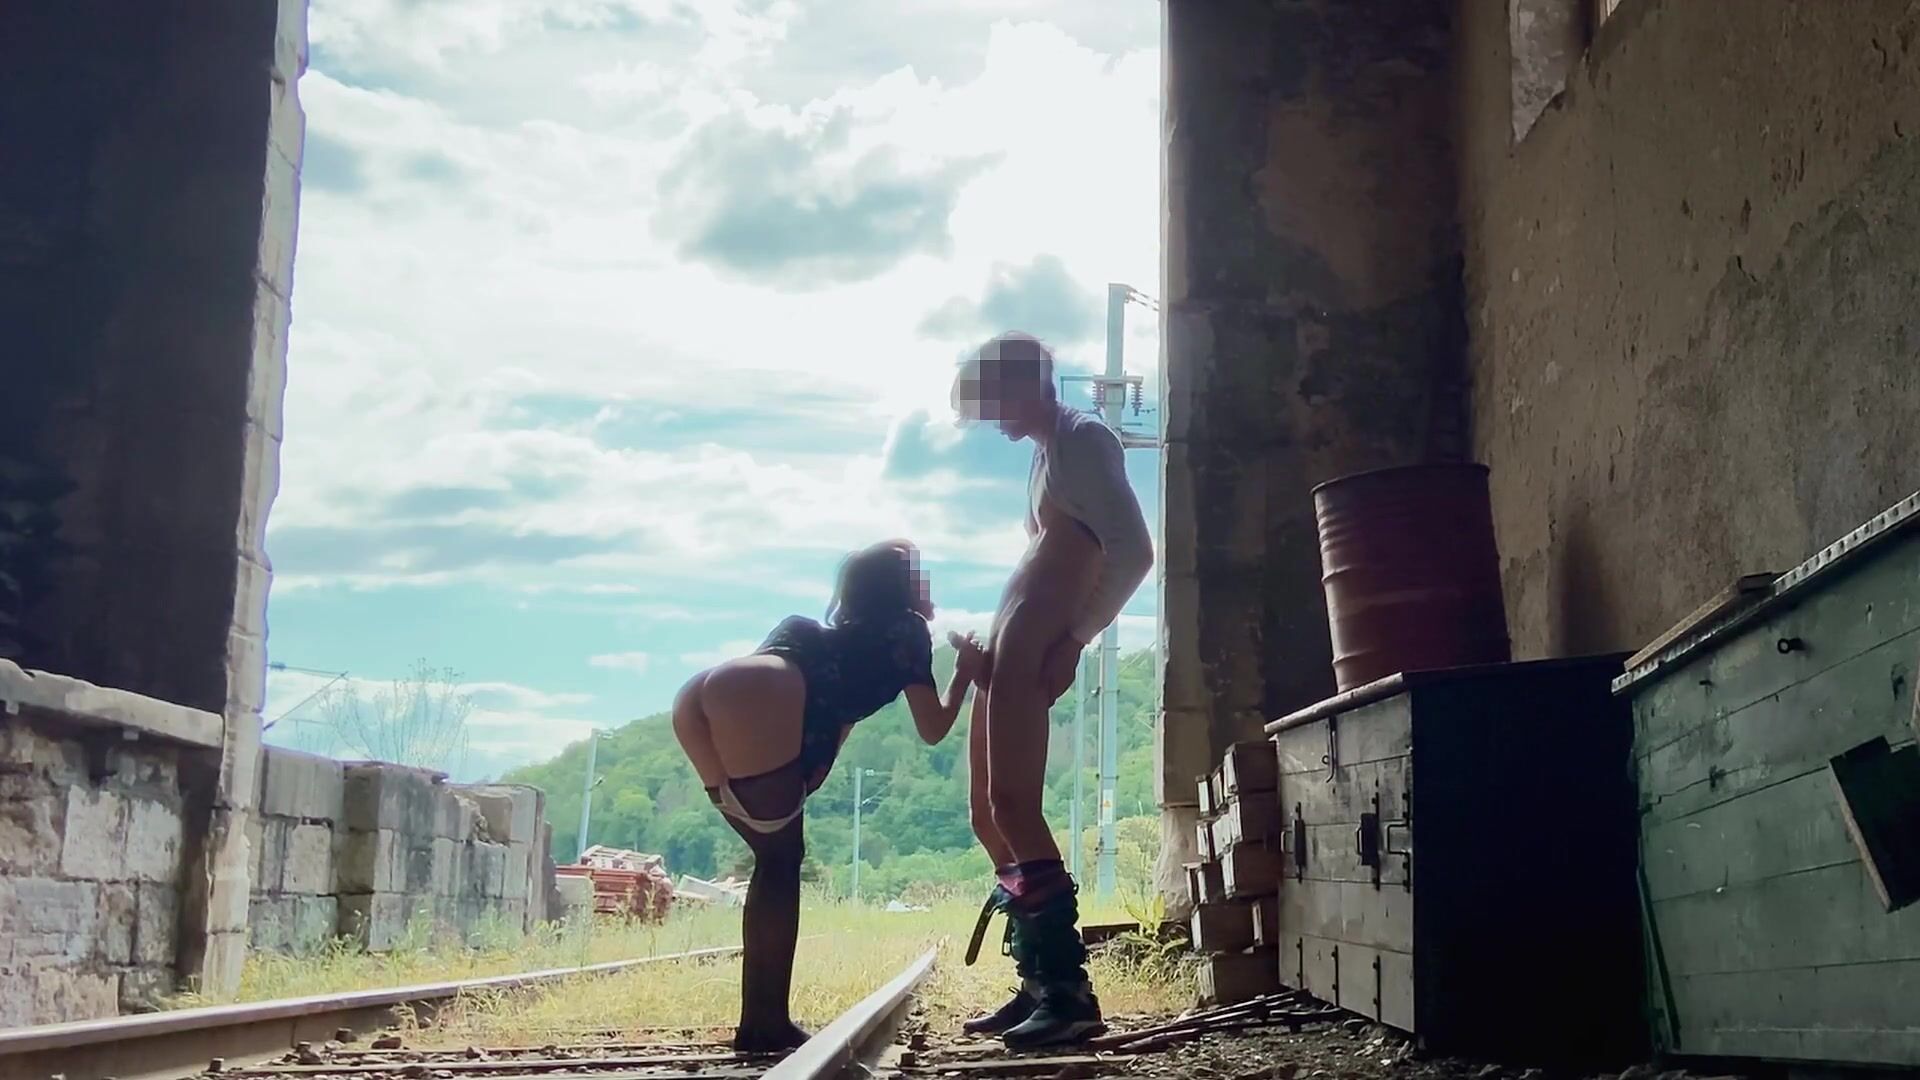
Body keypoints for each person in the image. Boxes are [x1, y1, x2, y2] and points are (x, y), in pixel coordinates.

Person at [671, 539, 985, 1053]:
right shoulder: (907, 630)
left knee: (774, 859)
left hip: (700, 696)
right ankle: (764, 1024)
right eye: (918, 575)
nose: (927, 584)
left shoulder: (841, 637)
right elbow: (933, 727)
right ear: (899, 589)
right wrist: (965, 672)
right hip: (764, 691)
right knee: (780, 862)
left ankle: (760, 1022)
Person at [949, 332, 1154, 1047]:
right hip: (1007, 653)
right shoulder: (1045, 455)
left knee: (1014, 806)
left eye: (991, 401)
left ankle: (1068, 993)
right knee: (988, 815)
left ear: (1024, 383)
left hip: (1036, 648)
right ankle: (1037, 979)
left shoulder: (1083, 438)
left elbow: (1134, 550)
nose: (989, 419)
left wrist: (1074, 640)